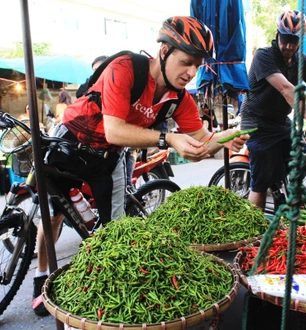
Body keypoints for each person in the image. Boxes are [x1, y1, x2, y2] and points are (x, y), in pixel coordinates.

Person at [32, 16, 250, 316]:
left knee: (114, 229)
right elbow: (115, 130)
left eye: (197, 65)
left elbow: (200, 145)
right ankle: (40, 275)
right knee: (53, 216)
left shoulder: (180, 100)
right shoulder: (126, 68)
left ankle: (103, 291)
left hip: (108, 158)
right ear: (164, 51)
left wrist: (220, 140)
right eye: (186, 61)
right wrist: (169, 139)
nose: (191, 72)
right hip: (70, 142)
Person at [239, 9, 306, 211]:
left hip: (280, 122)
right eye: (286, 39)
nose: (289, 46)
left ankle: (294, 211)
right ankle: (258, 233)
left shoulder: (300, 60)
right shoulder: (264, 56)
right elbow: (286, 88)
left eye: (294, 41)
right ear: (277, 34)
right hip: (256, 123)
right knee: (260, 185)